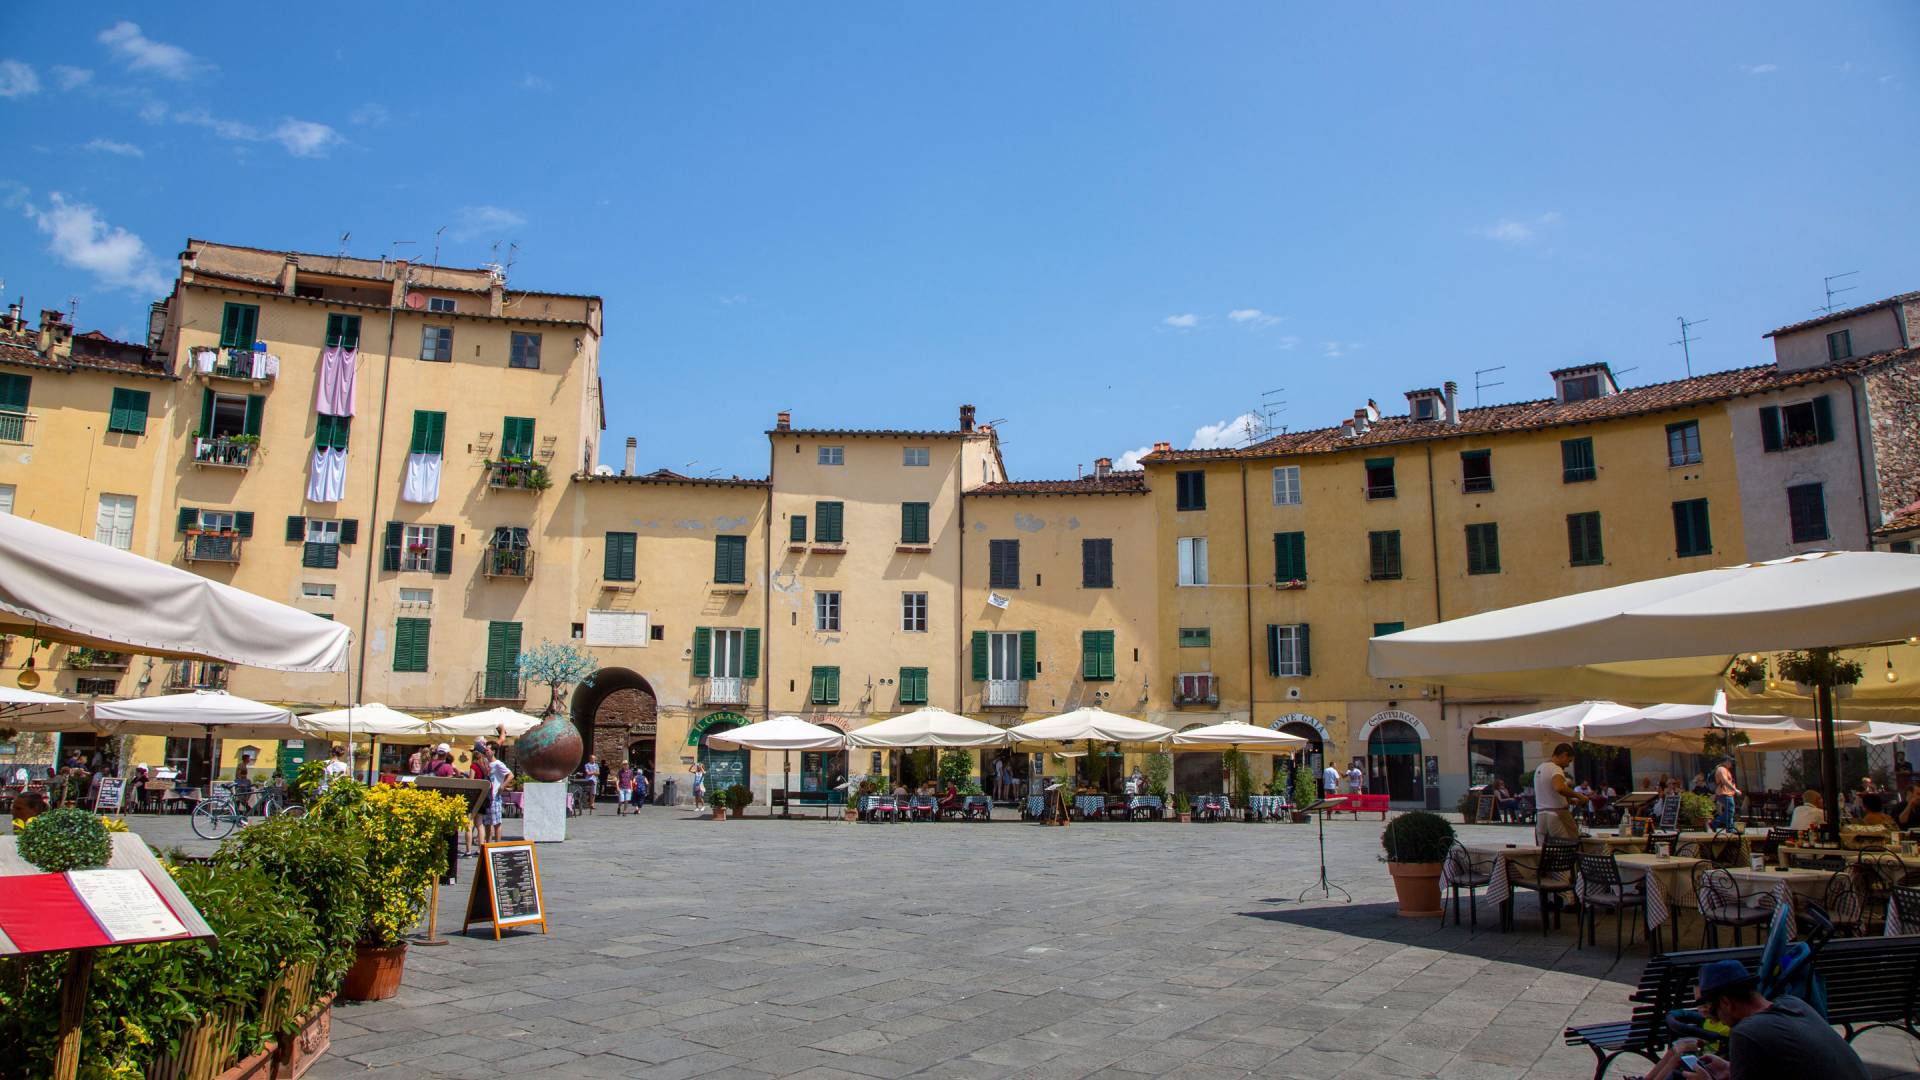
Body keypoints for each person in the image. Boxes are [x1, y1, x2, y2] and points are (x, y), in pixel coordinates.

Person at [1667, 958, 1869, 1079]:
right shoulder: (1794, 1004)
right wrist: (1731, 1068)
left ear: (1726, 1003)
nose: (1720, 1020)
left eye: (1716, 1013)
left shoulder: (1747, 1032)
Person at [1533, 743, 1587, 844]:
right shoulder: (1556, 768)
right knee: (1567, 846)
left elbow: (1550, 792)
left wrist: (1569, 800)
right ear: (1564, 755)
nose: (1568, 764)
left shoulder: (1540, 768)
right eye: (1569, 760)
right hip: (1557, 814)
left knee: (1544, 850)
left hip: (1541, 815)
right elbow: (1559, 788)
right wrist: (1579, 795)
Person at [484, 748, 511, 844]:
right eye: (485, 749)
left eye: (488, 749)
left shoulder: (498, 764)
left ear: (493, 751)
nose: (486, 751)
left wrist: (502, 786)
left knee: (496, 822)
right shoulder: (485, 763)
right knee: (487, 822)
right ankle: (488, 844)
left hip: (495, 795)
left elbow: (510, 775)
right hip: (487, 796)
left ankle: (497, 844)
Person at [1711, 757, 1741, 831]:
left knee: (1729, 811)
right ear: (1726, 761)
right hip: (1724, 793)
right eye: (1731, 762)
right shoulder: (1721, 769)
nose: (1732, 764)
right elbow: (1725, 781)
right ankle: (1714, 823)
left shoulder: (1725, 769)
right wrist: (1735, 790)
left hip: (1727, 793)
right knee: (1730, 811)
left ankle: (1729, 828)